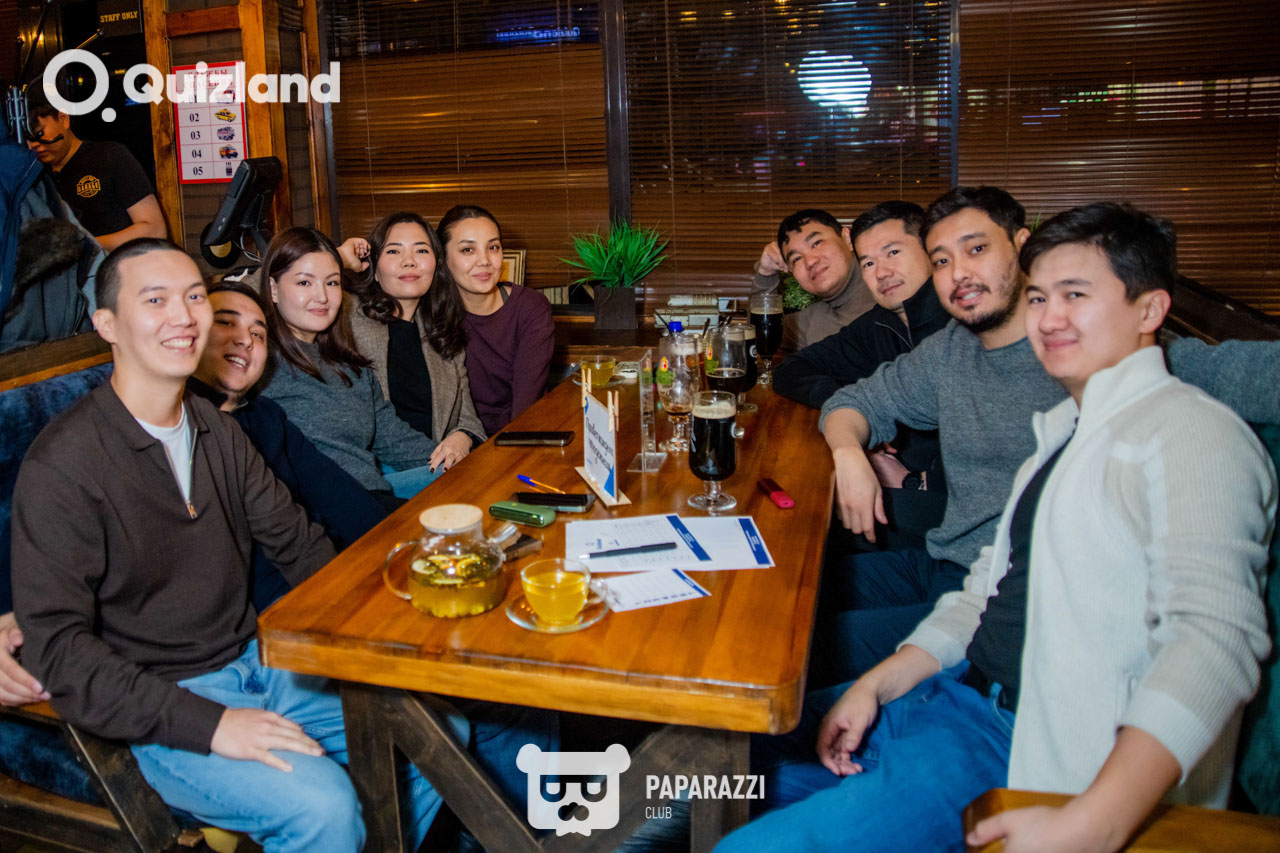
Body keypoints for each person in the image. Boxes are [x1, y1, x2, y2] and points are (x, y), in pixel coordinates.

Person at [716, 202, 1276, 853]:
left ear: (1149, 310)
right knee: (718, 764)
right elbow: (988, 590)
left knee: (736, 823)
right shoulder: (1060, 431)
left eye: (1076, 295)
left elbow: (1213, 643)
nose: (1050, 317)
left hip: (1018, 741)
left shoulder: (1192, 433)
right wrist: (881, 681)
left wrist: (1094, 822)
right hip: (954, 693)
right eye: (1040, 297)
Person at [9, 238, 442, 850]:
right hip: (159, 699)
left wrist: (385, 628)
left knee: (438, 731)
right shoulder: (65, 462)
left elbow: (301, 546)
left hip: (260, 661)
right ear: (106, 324)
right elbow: (60, 651)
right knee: (323, 807)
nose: (183, 316)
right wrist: (213, 726)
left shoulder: (218, 429)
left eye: (193, 297)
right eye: (155, 300)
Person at [814, 186, 1280, 683]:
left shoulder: (1101, 352)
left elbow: (1256, 373)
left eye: (977, 249)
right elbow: (853, 403)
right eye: (942, 260)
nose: (958, 273)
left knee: (806, 655)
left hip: (1013, 606)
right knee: (792, 594)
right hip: (949, 569)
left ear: (1021, 245)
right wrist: (849, 454)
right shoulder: (952, 349)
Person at [189, 279, 387, 611]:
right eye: (226, 323)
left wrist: (392, 549)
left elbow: (336, 493)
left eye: (258, 334)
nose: (245, 340)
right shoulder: (180, 424)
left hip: (319, 572)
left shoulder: (266, 415)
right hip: (264, 608)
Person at [773, 200, 950, 494]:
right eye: (868, 263)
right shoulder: (878, 323)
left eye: (893, 252)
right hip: (897, 479)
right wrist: (853, 411)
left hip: (943, 498)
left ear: (930, 249)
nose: (881, 273)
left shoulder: (965, 320)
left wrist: (915, 481)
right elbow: (790, 370)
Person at [257, 226, 440, 507]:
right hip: (321, 509)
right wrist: (338, 256)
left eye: (331, 283)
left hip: (372, 493)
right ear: (273, 288)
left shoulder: (352, 367)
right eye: (304, 283)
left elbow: (395, 439)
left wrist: (457, 459)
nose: (322, 296)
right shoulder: (258, 363)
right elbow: (229, 298)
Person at [342, 211, 486, 473]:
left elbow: (468, 417)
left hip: (434, 467)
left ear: (436, 266)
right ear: (374, 269)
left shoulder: (442, 330)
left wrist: (463, 436)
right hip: (373, 472)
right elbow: (281, 284)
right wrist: (339, 258)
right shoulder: (346, 316)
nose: (409, 261)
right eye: (394, 251)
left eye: (421, 251)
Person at [437, 204, 554, 435]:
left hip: (518, 435)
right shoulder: (433, 313)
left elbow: (525, 410)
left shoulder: (530, 308)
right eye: (468, 250)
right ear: (443, 259)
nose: (484, 260)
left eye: (493, 247)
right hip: (457, 438)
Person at [25, 102, 166, 251]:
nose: (33, 144)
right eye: (27, 137)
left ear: (63, 119)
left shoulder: (110, 157)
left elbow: (154, 229)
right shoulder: (35, 177)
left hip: (120, 261)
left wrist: (84, 246)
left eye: (39, 132)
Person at [751, 208, 876, 352]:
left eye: (817, 243)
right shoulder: (812, 319)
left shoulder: (887, 294)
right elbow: (761, 333)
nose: (810, 262)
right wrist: (766, 273)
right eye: (797, 258)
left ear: (847, 238)